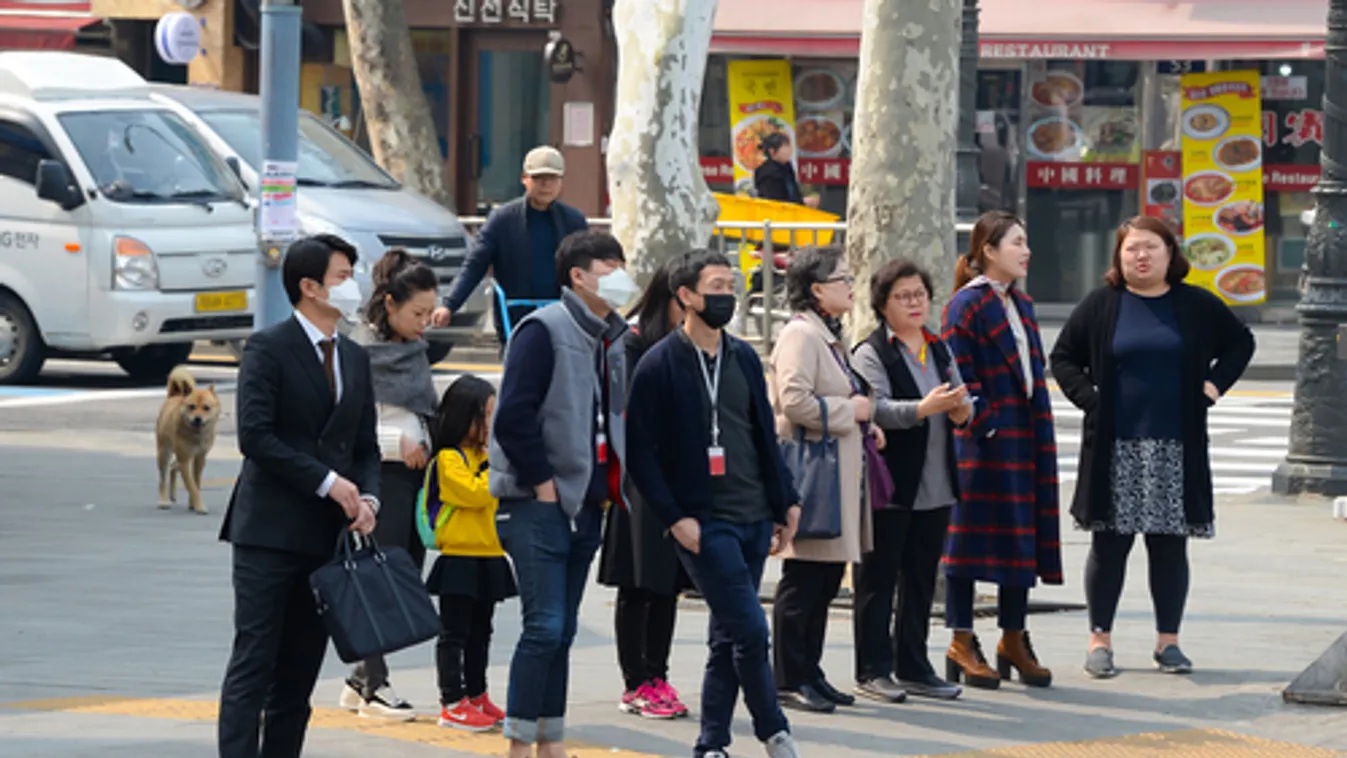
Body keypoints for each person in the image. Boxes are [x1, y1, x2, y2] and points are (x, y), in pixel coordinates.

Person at [1050, 216, 1254, 678]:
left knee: (1168, 545)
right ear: (1118, 258)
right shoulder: (1103, 304)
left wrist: (1213, 387)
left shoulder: (1195, 304)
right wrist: (1091, 402)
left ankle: (1169, 642)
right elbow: (1063, 357)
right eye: (1130, 249)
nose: (1140, 256)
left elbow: (1241, 342)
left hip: (1174, 445)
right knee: (1109, 544)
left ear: (1169, 254)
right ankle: (1099, 639)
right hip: (1115, 444)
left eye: (1150, 248)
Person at [627, 248, 804, 758]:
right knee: (751, 629)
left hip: (755, 516)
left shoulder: (744, 355)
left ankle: (711, 744)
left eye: (731, 286)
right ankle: (773, 728)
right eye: (717, 287)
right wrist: (675, 518)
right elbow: (640, 452)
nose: (728, 296)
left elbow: (765, 436)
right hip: (704, 523)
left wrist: (785, 500)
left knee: (727, 636)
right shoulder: (659, 364)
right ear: (685, 296)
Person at [217, 234, 381, 758]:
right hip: (268, 532)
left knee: (299, 671)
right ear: (309, 287)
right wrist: (328, 482)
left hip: (324, 540)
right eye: (341, 276)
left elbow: (366, 446)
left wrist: (370, 500)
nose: (351, 285)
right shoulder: (268, 348)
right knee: (254, 660)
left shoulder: (354, 357)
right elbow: (256, 437)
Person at [488, 230, 638, 758]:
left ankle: (549, 739)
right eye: (609, 265)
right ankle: (519, 742)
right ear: (578, 275)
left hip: (588, 505)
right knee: (544, 627)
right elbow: (512, 416)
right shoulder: (544, 329)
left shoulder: (613, 336)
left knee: (564, 630)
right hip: (539, 504)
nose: (621, 274)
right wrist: (545, 486)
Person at [940, 210, 1062, 691]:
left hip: (1026, 434)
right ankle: (961, 639)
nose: (1026, 250)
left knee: (1020, 537)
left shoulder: (1022, 304)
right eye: (1016, 242)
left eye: (1026, 241)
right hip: (982, 439)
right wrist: (984, 425)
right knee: (965, 542)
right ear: (988, 250)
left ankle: (1013, 636)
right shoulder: (964, 306)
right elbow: (958, 374)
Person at [850, 259, 967, 703]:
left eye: (920, 294)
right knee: (878, 579)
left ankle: (914, 664)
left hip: (936, 480)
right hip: (892, 484)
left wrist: (961, 408)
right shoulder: (872, 351)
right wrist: (923, 408)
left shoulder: (937, 347)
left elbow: (960, 395)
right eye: (903, 296)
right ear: (883, 305)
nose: (915, 303)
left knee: (921, 577)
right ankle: (873, 668)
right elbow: (875, 408)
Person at [769, 245, 876, 713]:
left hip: (838, 471)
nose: (851, 286)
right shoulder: (800, 335)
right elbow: (792, 401)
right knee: (805, 581)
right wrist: (846, 412)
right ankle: (789, 677)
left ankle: (810, 671)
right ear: (816, 289)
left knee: (827, 580)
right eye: (842, 279)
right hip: (815, 475)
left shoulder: (829, 333)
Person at [337, 249, 438, 721]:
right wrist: (397, 443)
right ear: (391, 303)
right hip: (381, 479)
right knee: (380, 579)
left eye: (429, 312)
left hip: (415, 484)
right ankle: (375, 686)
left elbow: (421, 408)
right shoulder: (359, 352)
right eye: (417, 313)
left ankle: (360, 680)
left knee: (401, 575)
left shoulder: (413, 349)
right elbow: (345, 428)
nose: (424, 323)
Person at [597, 259, 693, 720]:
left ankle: (659, 675)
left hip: (677, 480)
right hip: (639, 477)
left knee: (667, 584)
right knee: (639, 582)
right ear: (675, 296)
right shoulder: (634, 341)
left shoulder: (691, 343)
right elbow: (636, 412)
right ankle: (636, 680)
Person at [421, 374, 517, 730]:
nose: (493, 423)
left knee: (482, 631)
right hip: (459, 555)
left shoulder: (481, 455)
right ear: (466, 418)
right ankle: (452, 700)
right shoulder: (449, 459)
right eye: (487, 415)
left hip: (490, 553)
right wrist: (495, 462)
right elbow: (476, 493)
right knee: (454, 632)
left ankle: (477, 694)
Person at [431, 146, 589, 343]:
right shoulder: (502, 219)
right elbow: (474, 265)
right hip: (515, 318)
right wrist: (449, 304)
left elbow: (589, 267)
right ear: (525, 178)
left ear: (561, 182)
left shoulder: (574, 221)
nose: (546, 184)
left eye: (553, 178)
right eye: (539, 178)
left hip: (564, 317)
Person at [753, 133, 820, 209]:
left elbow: (793, 192)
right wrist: (802, 202)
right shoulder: (766, 173)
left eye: (789, 146)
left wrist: (802, 201)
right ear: (772, 151)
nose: (789, 149)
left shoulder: (787, 166)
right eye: (785, 146)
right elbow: (775, 202)